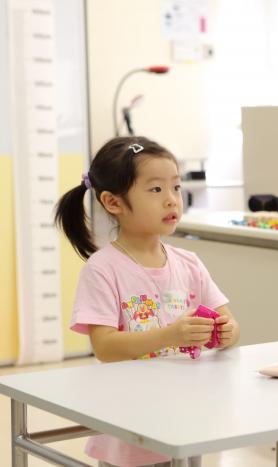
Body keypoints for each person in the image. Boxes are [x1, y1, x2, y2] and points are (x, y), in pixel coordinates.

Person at [54, 136, 241, 467]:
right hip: (130, 420)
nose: (171, 200)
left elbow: (228, 322)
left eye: (176, 188)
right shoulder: (103, 269)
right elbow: (106, 347)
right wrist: (171, 334)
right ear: (113, 203)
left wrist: (226, 331)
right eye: (156, 190)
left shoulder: (189, 263)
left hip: (183, 413)